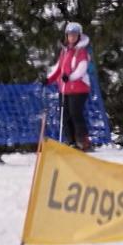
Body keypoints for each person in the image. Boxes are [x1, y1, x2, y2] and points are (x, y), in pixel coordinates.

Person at [43, 22, 94, 150]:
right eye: (70, 35)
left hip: (79, 88)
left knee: (75, 113)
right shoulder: (65, 51)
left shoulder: (81, 51)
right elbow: (59, 68)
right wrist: (49, 79)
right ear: (66, 36)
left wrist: (70, 77)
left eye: (74, 35)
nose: (72, 37)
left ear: (79, 36)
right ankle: (71, 141)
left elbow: (81, 68)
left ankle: (83, 140)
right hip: (65, 88)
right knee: (65, 115)